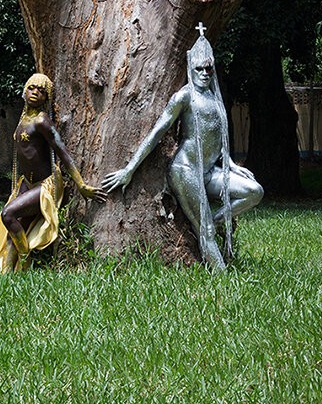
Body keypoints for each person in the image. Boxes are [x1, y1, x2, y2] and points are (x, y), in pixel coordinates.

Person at [102, 24, 263, 270]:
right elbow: (157, 133)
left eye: (208, 68)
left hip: (210, 171)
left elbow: (218, 136)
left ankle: (214, 222)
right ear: (191, 67)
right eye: (199, 68)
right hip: (185, 170)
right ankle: (222, 279)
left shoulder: (215, 98)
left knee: (254, 191)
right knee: (205, 228)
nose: (204, 73)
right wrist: (129, 169)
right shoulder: (184, 96)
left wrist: (230, 164)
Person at [0, 73, 105, 281]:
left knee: (8, 215)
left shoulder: (42, 121)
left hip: (45, 185)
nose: (35, 93)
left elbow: (63, 153)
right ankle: (7, 276)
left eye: (41, 91)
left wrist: (82, 184)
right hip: (27, 183)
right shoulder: (23, 118)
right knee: (14, 229)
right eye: (32, 88)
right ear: (25, 91)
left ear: (46, 98)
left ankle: (25, 259)